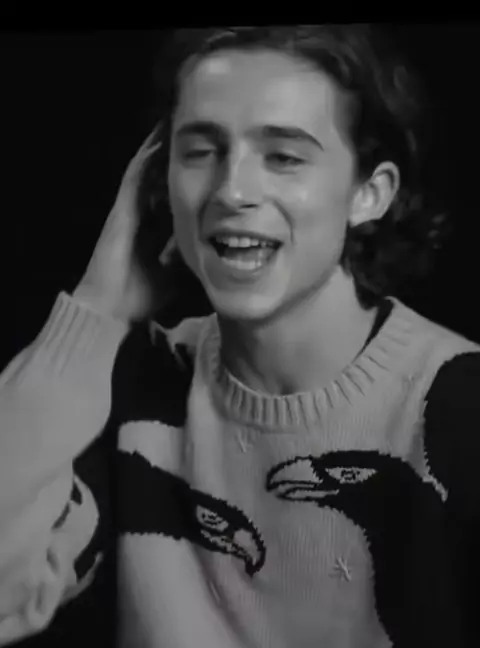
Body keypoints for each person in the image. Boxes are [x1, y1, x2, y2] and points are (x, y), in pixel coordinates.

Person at [1, 24, 480, 648]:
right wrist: (95, 309)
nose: (231, 191)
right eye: (201, 151)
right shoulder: (126, 384)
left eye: (283, 157)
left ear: (369, 193)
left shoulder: (458, 404)